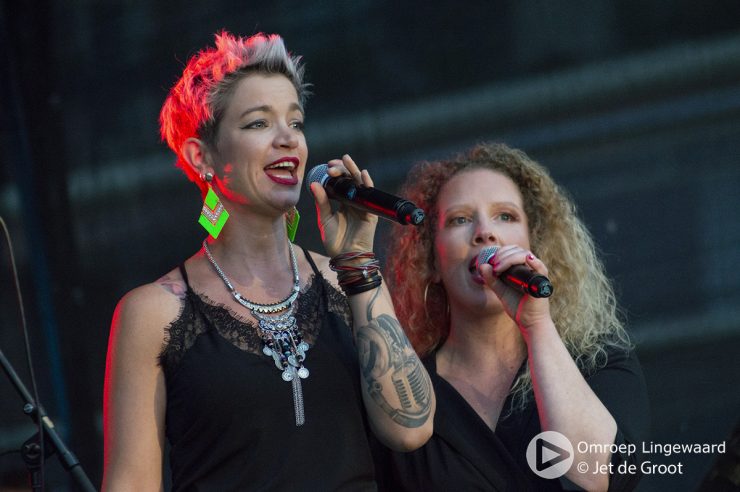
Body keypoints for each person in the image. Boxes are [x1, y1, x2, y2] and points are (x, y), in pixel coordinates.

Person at [102, 31, 434, 491]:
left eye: (295, 122)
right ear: (202, 156)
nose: (287, 139)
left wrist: (358, 261)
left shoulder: (343, 282)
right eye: (259, 123)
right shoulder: (154, 312)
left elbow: (410, 430)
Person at [376, 142, 649, 491]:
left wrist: (537, 324)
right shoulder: (404, 389)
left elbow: (597, 473)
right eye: (460, 219)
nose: (484, 232)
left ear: (535, 245)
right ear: (431, 260)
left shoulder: (597, 362)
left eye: (505, 216)